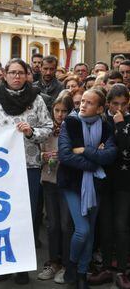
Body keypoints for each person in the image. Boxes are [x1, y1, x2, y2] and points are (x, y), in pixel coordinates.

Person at [0, 58, 53, 285]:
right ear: (5, 75)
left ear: (27, 75)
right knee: (1, 217)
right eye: (12, 73)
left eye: (21, 73)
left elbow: (47, 128)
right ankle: (2, 263)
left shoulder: (36, 99)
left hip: (28, 167)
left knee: (25, 218)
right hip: (0, 171)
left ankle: (22, 268)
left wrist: (31, 133)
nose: (17, 77)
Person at [57, 88, 117, 289]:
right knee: (82, 230)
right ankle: (72, 265)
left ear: (100, 108)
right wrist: (93, 162)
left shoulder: (107, 128)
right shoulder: (71, 122)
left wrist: (85, 150)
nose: (83, 104)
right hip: (72, 183)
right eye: (82, 101)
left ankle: (82, 274)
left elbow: (109, 156)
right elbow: (65, 155)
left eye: (89, 103)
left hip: (96, 186)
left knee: (90, 232)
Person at [38, 94, 74, 284]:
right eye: (57, 110)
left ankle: (67, 264)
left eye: (64, 111)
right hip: (49, 180)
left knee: (66, 225)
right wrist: (43, 155)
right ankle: (53, 262)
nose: (60, 115)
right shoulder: (47, 129)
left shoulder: (75, 128)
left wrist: (64, 155)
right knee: (52, 225)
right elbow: (36, 151)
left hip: (67, 182)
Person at [105, 84, 130, 289]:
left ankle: (122, 268)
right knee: (105, 225)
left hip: (124, 181)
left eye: (123, 104)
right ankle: (105, 267)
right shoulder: (101, 119)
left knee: (121, 226)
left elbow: (125, 147)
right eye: (115, 104)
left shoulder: (126, 120)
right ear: (108, 103)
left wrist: (121, 125)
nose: (119, 109)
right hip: (103, 180)